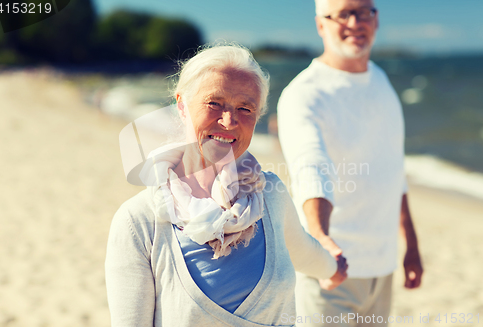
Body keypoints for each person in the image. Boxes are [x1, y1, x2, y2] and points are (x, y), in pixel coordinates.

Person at [105, 44, 347, 327]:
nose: (229, 121)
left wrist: (333, 267)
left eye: (245, 108)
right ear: (181, 105)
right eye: (214, 103)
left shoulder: (269, 195)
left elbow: (302, 250)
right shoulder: (139, 222)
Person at [277, 0, 423, 326]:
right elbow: (310, 167)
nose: (355, 22)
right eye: (343, 13)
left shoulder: (382, 82)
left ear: (377, 19)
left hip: (382, 267)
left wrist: (410, 245)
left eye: (364, 11)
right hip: (330, 269)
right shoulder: (304, 93)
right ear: (320, 24)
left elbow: (393, 170)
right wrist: (320, 240)